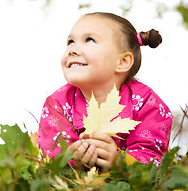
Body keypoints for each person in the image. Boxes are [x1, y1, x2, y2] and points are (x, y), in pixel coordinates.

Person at [37, 12, 173, 173]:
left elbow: (153, 159)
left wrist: (120, 162)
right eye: (70, 41)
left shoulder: (147, 103)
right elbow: (50, 158)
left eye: (89, 40)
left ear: (122, 62)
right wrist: (71, 158)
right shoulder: (57, 104)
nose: (72, 49)